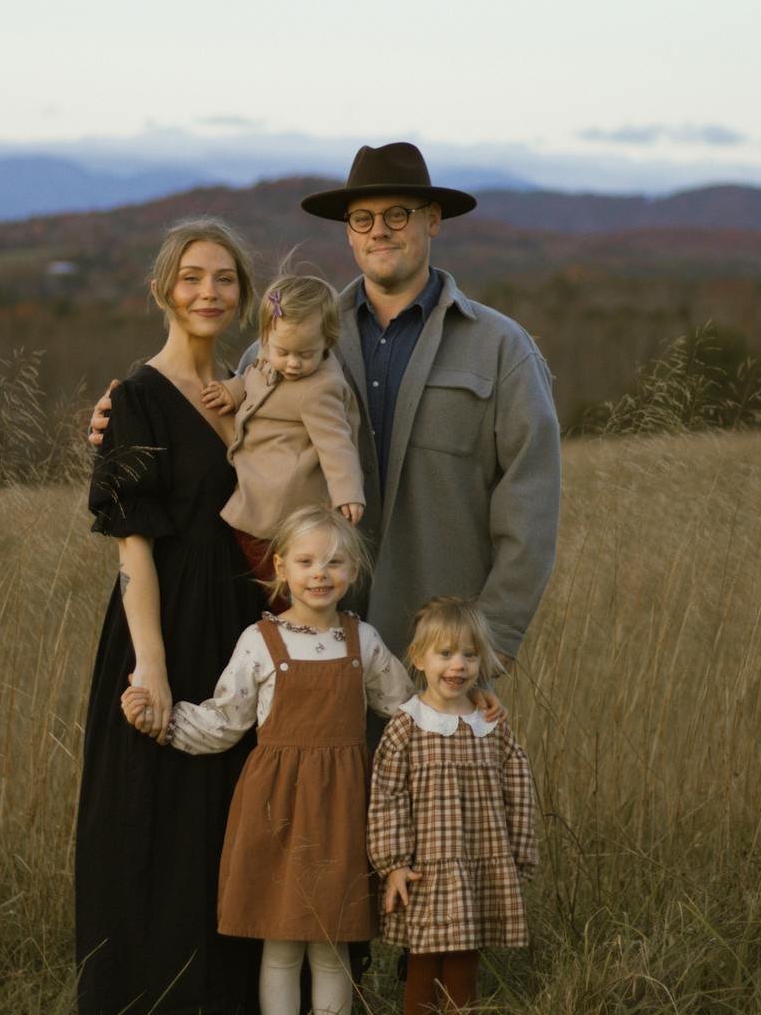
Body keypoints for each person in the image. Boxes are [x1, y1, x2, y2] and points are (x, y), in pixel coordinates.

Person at [92, 141, 561, 670]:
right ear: (348, 232)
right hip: (308, 649)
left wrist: (493, 638)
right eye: (362, 218)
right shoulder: (283, 345)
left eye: (397, 215)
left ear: (433, 220)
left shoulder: (500, 350)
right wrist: (126, 418)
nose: (378, 230)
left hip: (439, 658)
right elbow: (209, 434)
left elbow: (531, 505)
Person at [123, 506, 412, 1015]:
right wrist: (160, 722)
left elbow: (403, 711)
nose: (320, 573)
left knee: (331, 945)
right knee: (279, 945)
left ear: (353, 570)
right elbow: (224, 721)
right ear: (280, 567)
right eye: (305, 561)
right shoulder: (260, 641)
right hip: (276, 810)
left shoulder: (362, 641)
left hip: (344, 812)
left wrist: (457, 712)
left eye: (334, 562)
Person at [76, 216, 264, 1015]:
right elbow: (133, 548)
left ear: (243, 294)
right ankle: (117, 1013)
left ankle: (219, 1011)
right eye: (192, 277)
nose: (208, 293)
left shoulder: (253, 391)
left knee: (226, 813)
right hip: (160, 622)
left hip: (243, 625)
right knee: (139, 812)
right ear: (163, 288)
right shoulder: (136, 397)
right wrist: (149, 664)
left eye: (224, 279)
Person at [367, 596, 538, 1015]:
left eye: (469, 654)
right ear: (419, 659)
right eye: (445, 654)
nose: (457, 665)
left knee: (465, 956)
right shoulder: (407, 725)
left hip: (479, 862)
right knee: (425, 957)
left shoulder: (490, 725)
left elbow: (519, 787)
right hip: (426, 867)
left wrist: (518, 854)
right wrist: (393, 864)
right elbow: (387, 798)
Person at [200, 270, 364, 596]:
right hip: (256, 480)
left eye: (305, 355)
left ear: (326, 343)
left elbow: (337, 444)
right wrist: (233, 391)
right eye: (283, 352)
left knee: (274, 574)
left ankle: (283, 621)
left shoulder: (320, 388)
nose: (291, 364)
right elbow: (254, 377)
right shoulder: (269, 353)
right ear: (265, 337)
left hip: (282, 498)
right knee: (238, 560)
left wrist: (348, 492)